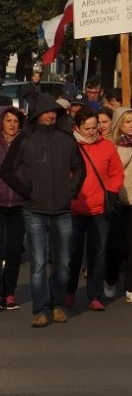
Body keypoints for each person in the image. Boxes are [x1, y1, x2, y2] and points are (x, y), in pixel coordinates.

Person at [0, 93, 86, 327]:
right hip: (34, 209)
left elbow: (80, 169)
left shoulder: (66, 139)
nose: (50, 115)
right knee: (37, 262)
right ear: (37, 114)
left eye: (54, 112)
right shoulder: (25, 138)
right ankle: (41, 309)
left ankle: (57, 304)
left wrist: (72, 191)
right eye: (46, 112)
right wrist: (25, 191)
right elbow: (7, 169)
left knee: (63, 263)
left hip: (63, 209)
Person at [65, 108, 124, 311]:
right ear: (77, 127)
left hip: (100, 208)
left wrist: (111, 190)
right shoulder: (69, 145)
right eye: (87, 128)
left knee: (98, 254)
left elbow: (116, 173)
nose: (92, 131)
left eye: (94, 127)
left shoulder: (106, 145)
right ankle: (69, 290)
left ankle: (94, 295)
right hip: (74, 208)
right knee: (73, 253)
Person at [105, 107, 132, 304]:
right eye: (127, 121)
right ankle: (111, 278)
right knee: (118, 245)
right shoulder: (111, 146)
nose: (131, 125)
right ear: (118, 124)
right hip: (119, 202)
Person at [0, 106, 26, 310]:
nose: (12, 124)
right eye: (8, 120)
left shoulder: (24, 143)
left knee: (14, 250)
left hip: (19, 204)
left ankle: (9, 293)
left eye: (15, 121)